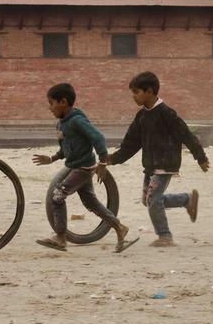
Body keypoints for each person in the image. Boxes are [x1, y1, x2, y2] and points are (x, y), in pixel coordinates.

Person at [105, 71, 208, 247]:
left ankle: (165, 236)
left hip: (166, 163)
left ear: (150, 91)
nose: (134, 97)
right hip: (151, 165)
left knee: (153, 200)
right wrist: (112, 159)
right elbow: (131, 143)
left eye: (137, 92)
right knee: (149, 200)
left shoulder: (166, 113)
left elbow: (186, 135)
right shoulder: (142, 116)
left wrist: (201, 157)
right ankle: (186, 200)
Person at [32, 83, 137, 254]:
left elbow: (99, 138)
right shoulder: (61, 124)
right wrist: (52, 158)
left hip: (84, 167)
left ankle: (60, 237)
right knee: (91, 202)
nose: (49, 108)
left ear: (64, 102)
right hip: (75, 166)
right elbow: (67, 149)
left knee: (58, 195)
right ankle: (120, 227)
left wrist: (103, 163)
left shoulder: (77, 120)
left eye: (52, 103)